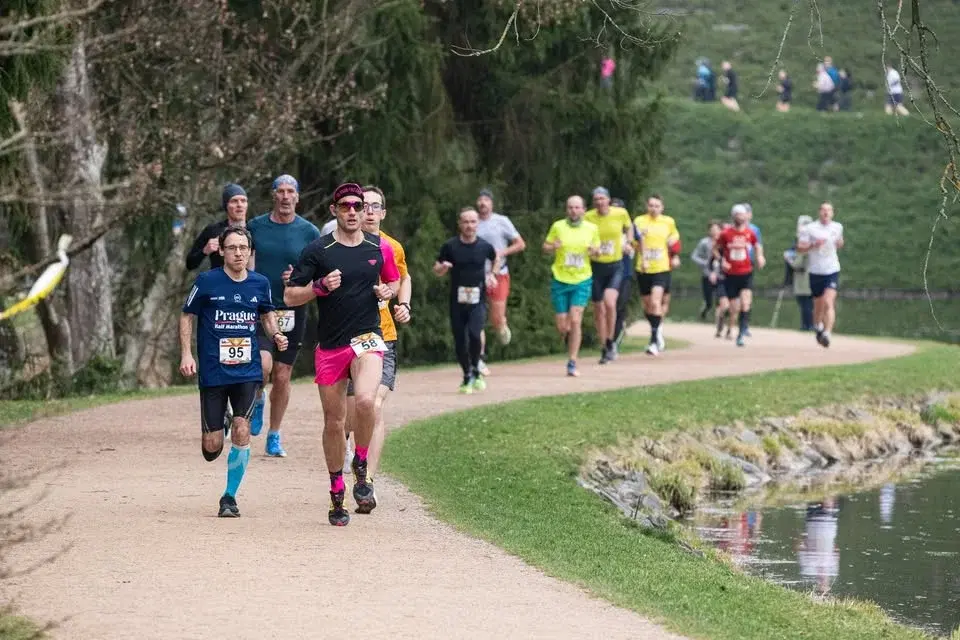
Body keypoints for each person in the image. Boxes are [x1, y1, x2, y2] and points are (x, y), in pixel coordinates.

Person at [284, 182, 401, 526]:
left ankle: (360, 464)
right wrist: (319, 287)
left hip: (367, 338)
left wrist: (387, 291)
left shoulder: (378, 247)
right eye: (346, 206)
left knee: (366, 402)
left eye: (358, 206)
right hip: (332, 345)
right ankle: (337, 491)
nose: (353, 211)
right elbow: (290, 296)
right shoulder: (318, 250)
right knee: (334, 422)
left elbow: (393, 281)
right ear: (334, 210)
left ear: (365, 210)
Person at [178, 226, 288, 517]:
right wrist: (187, 354)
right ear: (222, 251)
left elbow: (267, 314)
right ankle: (220, 424)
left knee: (242, 429)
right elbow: (187, 316)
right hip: (214, 371)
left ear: (250, 252)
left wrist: (276, 334)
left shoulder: (260, 283)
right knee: (211, 448)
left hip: (247, 372)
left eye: (243, 248)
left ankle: (229, 497)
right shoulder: (207, 281)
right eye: (232, 248)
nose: (238, 253)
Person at [341, 186, 412, 502]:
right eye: (363, 205)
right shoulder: (339, 246)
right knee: (349, 415)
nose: (368, 211)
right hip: (347, 338)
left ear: (383, 212)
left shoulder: (392, 247)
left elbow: (404, 278)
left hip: (383, 336)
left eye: (374, 206)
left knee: (374, 405)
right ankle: (349, 447)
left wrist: (403, 304)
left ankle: (366, 480)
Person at [247, 174, 321, 457]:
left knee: (282, 374)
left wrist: (299, 277)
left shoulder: (309, 232)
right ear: (274, 195)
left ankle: (274, 434)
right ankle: (258, 397)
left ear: (297, 197)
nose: (286, 196)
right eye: (281, 191)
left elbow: (318, 272)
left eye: (291, 191)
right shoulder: (256, 227)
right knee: (263, 365)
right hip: (261, 308)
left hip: (293, 310)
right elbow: (243, 261)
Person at [434, 207, 502, 392]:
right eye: (466, 222)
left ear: (477, 224)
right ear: (459, 224)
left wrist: (492, 274)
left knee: (474, 334)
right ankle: (467, 375)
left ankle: (476, 370)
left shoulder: (484, 246)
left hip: (478, 300)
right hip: (456, 301)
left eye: (473, 222)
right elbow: (437, 268)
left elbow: (496, 258)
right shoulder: (450, 246)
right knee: (460, 340)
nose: (469, 225)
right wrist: (442, 268)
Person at [544, 195, 600, 377]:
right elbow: (545, 247)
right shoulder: (558, 226)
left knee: (575, 320)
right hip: (560, 280)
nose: (573, 211)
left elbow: (597, 251)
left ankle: (572, 361)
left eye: (577, 207)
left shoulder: (592, 228)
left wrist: (595, 251)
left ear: (584, 210)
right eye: (570, 207)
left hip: (582, 280)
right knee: (563, 326)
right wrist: (553, 246)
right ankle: (568, 338)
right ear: (566, 210)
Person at [475, 188, 526, 374]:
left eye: (486, 200)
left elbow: (520, 244)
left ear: (492, 203)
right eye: (480, 200)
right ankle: (479, 358)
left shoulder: (501, 221)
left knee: (496, 319)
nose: (482, 203)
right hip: (476, 276)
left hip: (499, 275)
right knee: (476, 318)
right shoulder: (472, 222)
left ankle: (501, 325)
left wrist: (501, 253)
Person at [584, 187, 632, 363]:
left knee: (610, 303)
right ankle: (604, 345)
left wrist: (628, 242)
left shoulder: (620, 213)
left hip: (615, 265)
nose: (599, 202)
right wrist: (590, 248)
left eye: (602, 198)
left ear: (608, 200)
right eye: (596, 199)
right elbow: (583, 235)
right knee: (598, 309)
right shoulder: (588, 217)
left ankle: (611, 340)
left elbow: (629, 228)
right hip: (595, 267)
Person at [633, 194, 681, 356]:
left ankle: (653, 341)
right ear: (647, 206)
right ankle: (657, 330)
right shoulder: (639, 221)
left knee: (655, 302)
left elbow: (675, 237)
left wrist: (674, 251)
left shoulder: (668, 222)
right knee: (647, 306)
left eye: (657, 206)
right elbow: (633, 242)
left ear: (662, 208)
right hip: (643, 268)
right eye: (651, 205)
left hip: (661, 268)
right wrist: (640, 249)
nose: (653, 208)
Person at [714, 203, 765, 347]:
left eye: (742, 214)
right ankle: (725, 322)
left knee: (745, 303)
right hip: (730, 274)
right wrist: (722, 260)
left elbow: (757, 245)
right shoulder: (726, 233)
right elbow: (715, 249)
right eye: (737, 215)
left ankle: (741, 333)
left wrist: (760, 257)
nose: (740, 217)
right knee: (733, 307)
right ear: (733, 216)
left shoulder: (750, 233)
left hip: (746, 272)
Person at [797, 202, 844, 348]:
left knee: (829, 302)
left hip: (832, 269)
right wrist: (813, 245)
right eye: (823, 210)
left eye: (829, 210)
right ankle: (818, 326)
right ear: (819, 212)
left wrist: (839, 243)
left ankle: (827, 333)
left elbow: (839, 242)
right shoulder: (810, 229)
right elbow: (800, 248)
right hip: (816, 271)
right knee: (818, 305)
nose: (826, 213)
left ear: (832, 213)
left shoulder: (837, 227)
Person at [185, 184, 252, 271]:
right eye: (234, 201)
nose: (239, 205)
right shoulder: (213, 230)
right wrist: (205, 250)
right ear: (226, 206)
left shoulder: (255, 229)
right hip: (219, 279)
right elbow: (190, 264)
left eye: (243, 201)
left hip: (250, 279)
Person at [611, 198, 636, 350]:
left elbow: (640, 244)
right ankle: (608, 339)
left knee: (619, 306)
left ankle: (615, 339)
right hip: (606, 272)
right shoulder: (603, 226)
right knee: (608, 305)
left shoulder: (631, 228)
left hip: (625, 273)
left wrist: (630, 247)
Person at [784, 215, 814, 331]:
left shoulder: (806, 244)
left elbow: (798, 263)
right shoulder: (805, 242)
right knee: (805, 303)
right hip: (803, 277)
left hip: (805, 278)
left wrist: (789, 259)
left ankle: (808, 325)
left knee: (806, 303)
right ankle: (807, 325)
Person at [691, 221, 722, 320]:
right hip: (707, 274)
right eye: (712, 230)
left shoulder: (724, 241)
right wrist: (704, 263)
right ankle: (706, 309)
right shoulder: (704, 242)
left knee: (720, 299)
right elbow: (694, 256)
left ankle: (719, 321)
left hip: (721, 275)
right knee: (709, 300)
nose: (714, 232)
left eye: (717, 229)